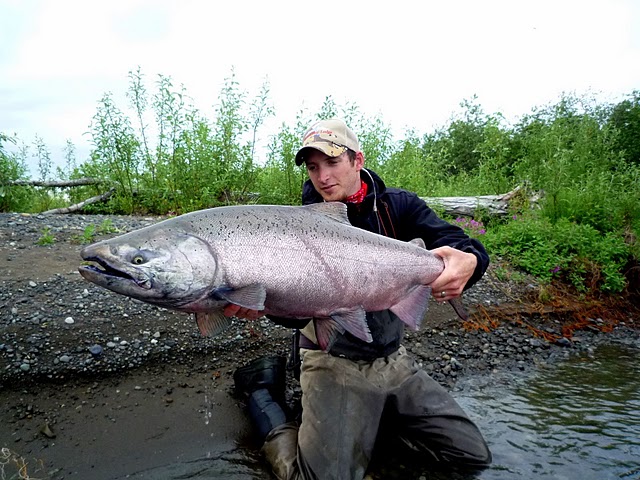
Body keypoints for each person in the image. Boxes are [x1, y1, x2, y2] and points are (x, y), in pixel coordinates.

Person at [227, 118, 492, 480]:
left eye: (332, 162)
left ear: (357, 161)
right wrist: (264, 304)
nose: (322, 177)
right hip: (331, 360)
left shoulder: (398, 206)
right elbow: (292, 317)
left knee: (471, 456)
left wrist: (471, 261)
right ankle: (263, 397)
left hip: (392, 360)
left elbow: (459, 244)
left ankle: (372, 419)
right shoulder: (296, 226)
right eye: (313, 167)